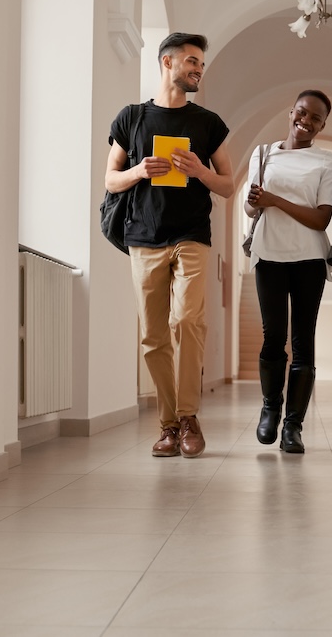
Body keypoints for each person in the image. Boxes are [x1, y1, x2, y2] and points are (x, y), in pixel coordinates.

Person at [105, 32, 235, 458]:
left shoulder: (208, 123)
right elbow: (111, 180)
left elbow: (229, 185)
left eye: (201, 64)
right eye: (192, 61)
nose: (199, 69)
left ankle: (189, 417)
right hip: (143, 237)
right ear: (168, 63)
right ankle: (167, 426)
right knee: (154, 336)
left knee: (188, 321)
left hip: (192, 236)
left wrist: (199, 170)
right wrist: (140, 170)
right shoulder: (131, 118)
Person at [244, 90, 332, 454]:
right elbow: (252, 211)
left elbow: (321, 218)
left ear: (322, 125)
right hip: (268, 255)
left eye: (315, 117)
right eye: (302, 112)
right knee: (272, 337)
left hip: (309, 260)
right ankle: (270, 409)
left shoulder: (325, 161)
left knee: (303, 342)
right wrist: (256, 204)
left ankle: (293, 426)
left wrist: (275, 200)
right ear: (291, 112)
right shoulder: (263, 154)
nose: (306, 121)